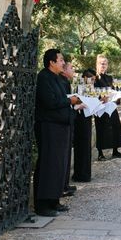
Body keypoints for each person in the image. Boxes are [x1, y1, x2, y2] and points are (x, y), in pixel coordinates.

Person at [34, 49, 80, 217]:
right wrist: (69, 100)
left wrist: (72, 102)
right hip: (48, 126)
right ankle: (42, 205)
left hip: (61, 126)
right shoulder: (44, 77)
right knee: (48, 164)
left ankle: (54, 200)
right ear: (51, 62)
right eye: (61, 60)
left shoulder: (59, 79)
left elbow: (63, 100)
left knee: (59, 165)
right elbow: (50, 101)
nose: (63, 63)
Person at [94, 55, 121, 160]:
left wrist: (117, 97)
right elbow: (91, 92)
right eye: (101, 63)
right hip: (100, 107)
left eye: (105, 63)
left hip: (111, 106)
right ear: (97, 64)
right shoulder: (94, 77)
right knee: (101, 128)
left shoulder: (109, 78)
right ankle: (100, 153)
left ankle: (115, 150)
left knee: (116, 126)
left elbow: (113, 90)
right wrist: (100, 98)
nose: (103, 65)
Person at [72, 68, 95, 183]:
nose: (92, 81)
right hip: (79, 119)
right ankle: (79, 173)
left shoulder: (90, 88)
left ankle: (86, 173)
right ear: (85, 78)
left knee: (86, 146)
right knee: (81, 145)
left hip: (87, 117)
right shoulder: (78, 87)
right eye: (91, 79)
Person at [60, 61, 78, 197]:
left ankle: (64, 184)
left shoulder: (65, 81)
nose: (73, 71)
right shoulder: (61, 81)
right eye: (71, 68)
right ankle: (62, 186)